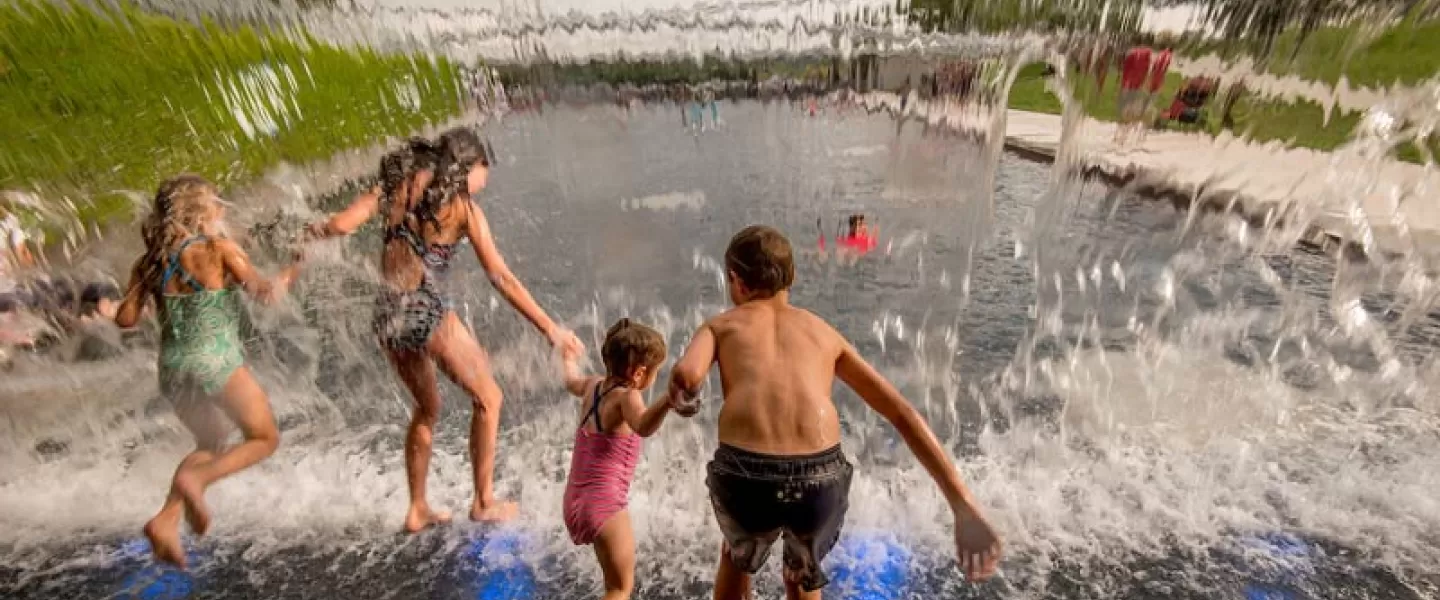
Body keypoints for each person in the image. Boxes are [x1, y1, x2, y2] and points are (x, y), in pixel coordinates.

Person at [667, 225, 1002, 600]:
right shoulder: (824, 333)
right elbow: (902, 413)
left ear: (735, 280)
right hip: (818, 476)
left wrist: (683, 389)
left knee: (735, 555)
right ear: (791, 277)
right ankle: (801, 569)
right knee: (801, 571)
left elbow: (688, 373)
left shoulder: (720, 325)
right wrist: (962, 503)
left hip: (747, 475)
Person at [304, 128, 583, 531]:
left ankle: (417, 507)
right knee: (489, 398)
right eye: (483, 172)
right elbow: (501, 278)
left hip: (387, 314)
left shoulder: (395, 187)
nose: (484, 184)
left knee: (427, 408)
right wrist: (551, 330)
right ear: (467, 166)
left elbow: (342, 225)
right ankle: (484, 501)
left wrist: (307, 234)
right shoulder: (465, 211)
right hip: (424, 309)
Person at [114, 174, 301, 567]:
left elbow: (125, 318)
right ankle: (197, 481)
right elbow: (266, 294)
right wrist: (294, 268)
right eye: (217, 205)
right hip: (215, 361)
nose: (221, 212)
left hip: (173, 369)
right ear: (201, 214)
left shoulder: (149, 262)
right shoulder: (218, 249)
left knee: (211, 442)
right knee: (264, 437)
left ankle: (165, 520)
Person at [560, 318, 677, 600]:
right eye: (654, 373)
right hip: (603, 505)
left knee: (612, 584)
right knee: (619, 588)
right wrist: (669, 399)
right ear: (638, 374)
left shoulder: (592, 385)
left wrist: (567, 357)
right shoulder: (628, 397)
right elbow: (644, 426)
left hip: (574, 501)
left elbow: (569, 380)